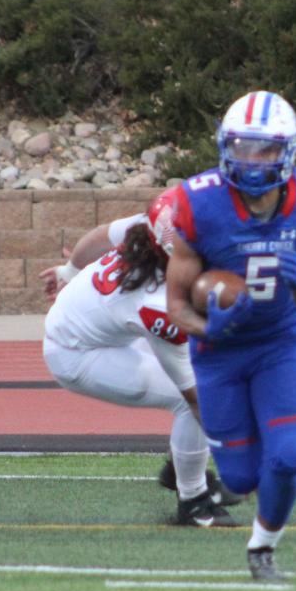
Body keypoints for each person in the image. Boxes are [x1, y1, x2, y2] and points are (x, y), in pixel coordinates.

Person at [163, 90, 296, 582]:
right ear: (224, 147)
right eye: (241, 146)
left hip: (278, 344)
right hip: (218, 354)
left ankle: (262, 549)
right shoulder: (198, 202)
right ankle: (272, 436)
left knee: (287, 458)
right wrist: (209, 325)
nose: (250, 159)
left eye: (263, 148)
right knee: (240, 477)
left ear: (288, 151)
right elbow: (177, 306)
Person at [40, 189, 243, 527]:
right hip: (77, 354)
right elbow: (195, 398)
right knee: (203, 396)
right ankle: (193, 501)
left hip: (99, 329)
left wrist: (69, 271)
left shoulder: (147, 230)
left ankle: (180, 468)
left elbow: (99, 235)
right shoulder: (158, 304)